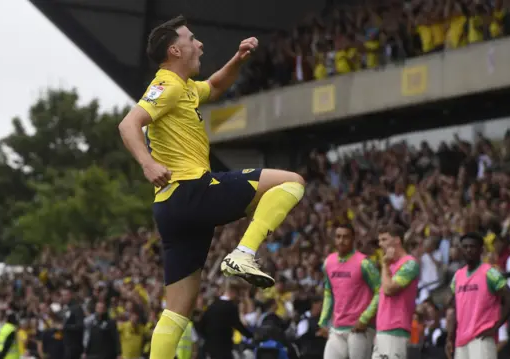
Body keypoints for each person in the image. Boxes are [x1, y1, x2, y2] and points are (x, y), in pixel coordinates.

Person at [118, 15, 305, 359]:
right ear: (175, 49)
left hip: (173, 208)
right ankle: (243, 254)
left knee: (177, 310)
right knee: (292, 182)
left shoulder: (185, 87)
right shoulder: (167, 85)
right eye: (192, 39)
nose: (200, 44)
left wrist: (237, 59)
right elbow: (129, 123)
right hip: (191, 190)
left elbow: (216, 86)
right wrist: (147, 163)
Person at [445, 232, 510, 359]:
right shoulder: (457, 276)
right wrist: (450, 337)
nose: (468, 250)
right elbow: (456, 309)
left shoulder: (490, 272)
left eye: (472, 246)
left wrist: (495, 327)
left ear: (481, 250)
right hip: (461, 340)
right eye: (465, 247)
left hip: (482, 338)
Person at [319, 224, 380, 359]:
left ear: (353, 239)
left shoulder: (364, 263)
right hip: (337, 328)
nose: (341, 240)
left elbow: (380, 291)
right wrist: (323, 322)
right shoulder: (328, 262)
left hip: (359, 328)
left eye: (346, 237)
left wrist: (364, 319)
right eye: (338, 237)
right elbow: (329, 292)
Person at [372, 225, 420, 359]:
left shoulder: (410, 264)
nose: (380, 244)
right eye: (379, 240)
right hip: (383, 331)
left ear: (397, 240)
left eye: (384, 239)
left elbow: (389, 289)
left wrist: (385, 265)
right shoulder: (390, 265)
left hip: (395, 330)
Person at [195, 278, 252, 359]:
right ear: (233, 291)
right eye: (238, 293)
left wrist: (208, 337)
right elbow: (237, 325)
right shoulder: (231, 307)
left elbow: (201, 325)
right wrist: (250, 335)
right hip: (224, 349)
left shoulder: (212, 305)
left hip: (210, 349)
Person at [60, 287, 84, 359]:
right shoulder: (65, 308)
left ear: (71, 295)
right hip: (66, 343)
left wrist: (64, 327)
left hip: (74, 345)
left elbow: (80, 326)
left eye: (66, 295)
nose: (64, 297)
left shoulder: (77, 308)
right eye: (62, 295)